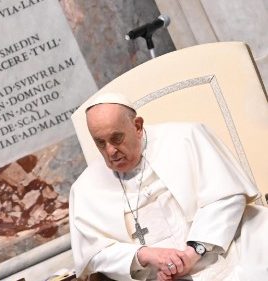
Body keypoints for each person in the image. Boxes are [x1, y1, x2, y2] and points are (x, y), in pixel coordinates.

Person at [69, 92, 268, 281]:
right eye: (100, 143)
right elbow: (94, 253)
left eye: (116, 138)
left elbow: (227, 197)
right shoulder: (85, 189)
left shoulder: (186, 138)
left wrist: (193, 253)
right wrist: (144, 256)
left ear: (137, 126)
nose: (111, 151)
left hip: (224, 255)